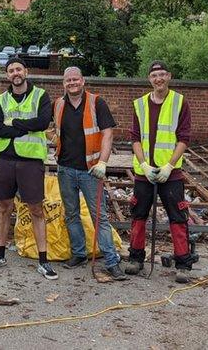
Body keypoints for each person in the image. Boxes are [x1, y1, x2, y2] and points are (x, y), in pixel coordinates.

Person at [0, 57, 57, 280]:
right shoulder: (2, 99)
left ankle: (43, 261)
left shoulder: (40, 96)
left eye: (18, 69)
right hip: (5, 158)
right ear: (7, 75)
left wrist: (13, 125)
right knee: (4, 206)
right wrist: (24, 127)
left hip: (31, 160)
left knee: (36, 209)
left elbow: (43, 123)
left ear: (26, 71)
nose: (15, 73)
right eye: (11, 70)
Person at [53, 66, 126, 280]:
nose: (72, 83)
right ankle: (78, 254)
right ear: (63, 83)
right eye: (68, 81)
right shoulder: (58, 104)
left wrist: (103, 162)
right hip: (65, 169)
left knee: (99, 218)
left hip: (91, 171)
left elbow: (107, 134)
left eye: (75, 79)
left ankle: (112, 262)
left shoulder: (96, 103)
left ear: (83, 81)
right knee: (72, 214)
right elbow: (53, 129)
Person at [126, 61, 196, 283]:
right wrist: (144, 164)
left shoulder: (179, 102)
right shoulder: (139, 104)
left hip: (170, 173)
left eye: (162, 75)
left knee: (177, 217)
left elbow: (184, 138)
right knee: (138, 215)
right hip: (144, 172)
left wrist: (170, 165)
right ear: (149, 79)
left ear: (169, 77)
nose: (158, 79)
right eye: (154, 75)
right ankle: (136, 259)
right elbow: (135, 138)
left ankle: (183, 263)